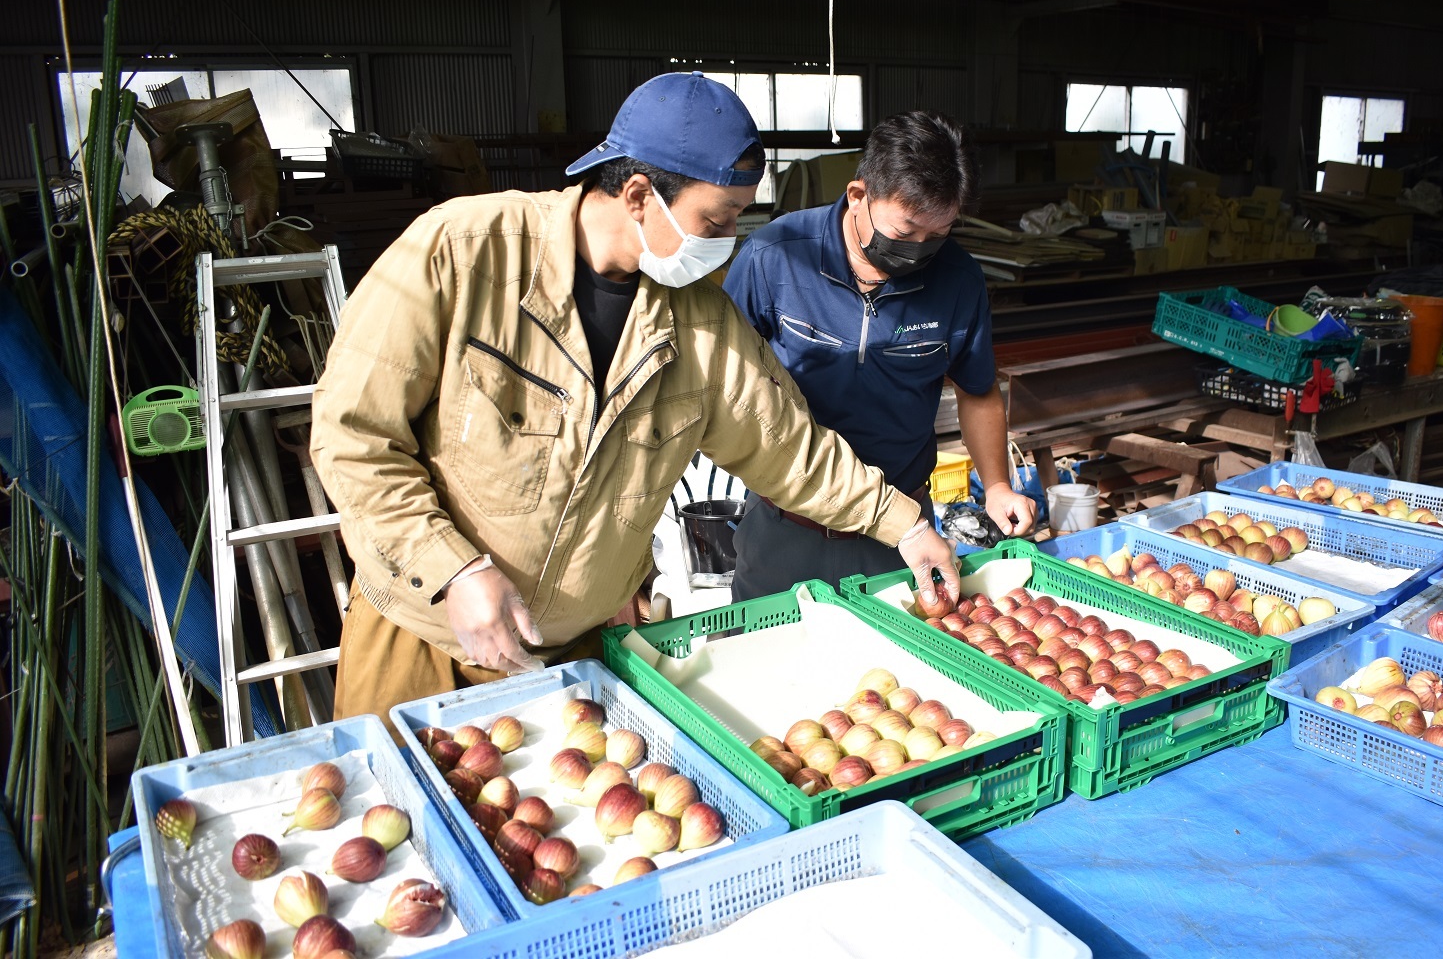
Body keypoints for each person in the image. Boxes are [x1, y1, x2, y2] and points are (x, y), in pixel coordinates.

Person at [310, 72, 960, 726]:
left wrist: (903, 524)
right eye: (716, 218)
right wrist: (450, 570)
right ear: (640, 194)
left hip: (575, 655)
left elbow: (789, 448)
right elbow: (353, 435)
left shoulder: (698, 322)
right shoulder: (463, 255)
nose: (729, 238)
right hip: (425, 640)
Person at [723, 110, 1036, 601]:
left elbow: (977, 391)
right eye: (906, 231)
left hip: (904, 535)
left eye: (937, 236)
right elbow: (719, 383)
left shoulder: (957, 279)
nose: (917, 250)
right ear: (858, 196)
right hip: (785, 526)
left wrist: (995, 484)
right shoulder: (775, 256)